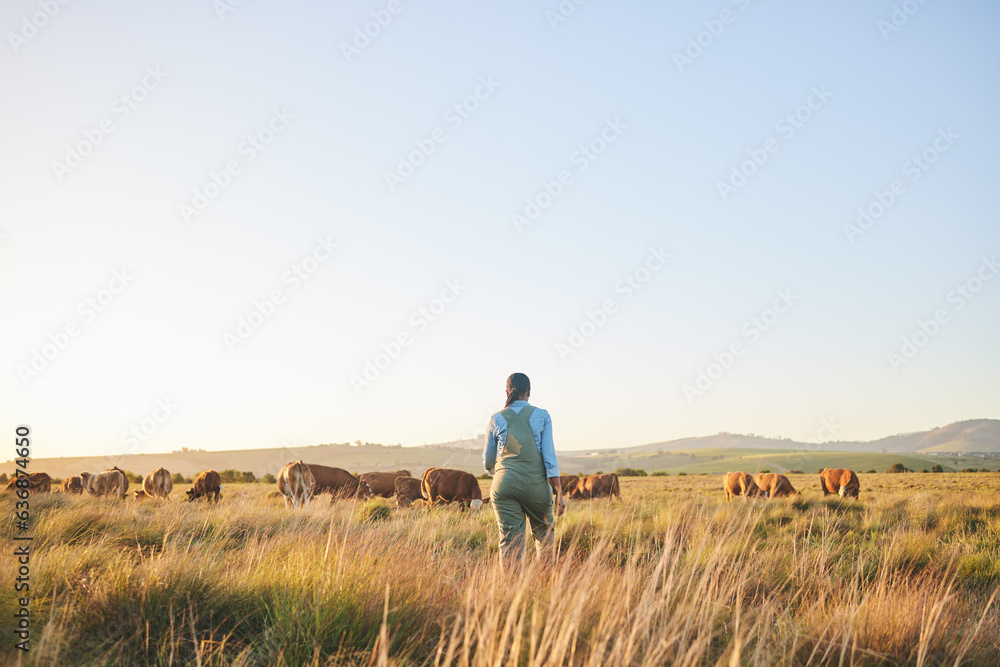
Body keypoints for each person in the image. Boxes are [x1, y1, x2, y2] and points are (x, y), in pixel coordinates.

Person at [483, 372, 564, 564]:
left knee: (510, 542)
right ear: (529, 392)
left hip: (504, 485)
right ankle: (545, 586)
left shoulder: (495, 419)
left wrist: (502, 474)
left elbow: (488, 462)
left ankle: (510, 591)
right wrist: (559, 492)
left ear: (507, 392)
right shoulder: (542, 416)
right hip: (536, 486)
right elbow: (550, 458)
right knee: (545, 538)